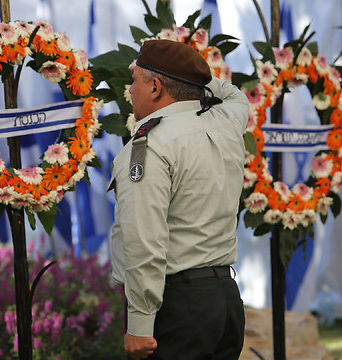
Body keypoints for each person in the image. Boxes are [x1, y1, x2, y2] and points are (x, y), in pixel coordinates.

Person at [108, 39, 249, 360]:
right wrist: (191, 78)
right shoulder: (227, 123)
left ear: (155, 87)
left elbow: (144, 238)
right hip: (225, 300)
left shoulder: (150, 145)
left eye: (135, 80)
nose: (130, 89)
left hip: (177, 308)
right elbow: (235, 95)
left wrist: (140, 322)